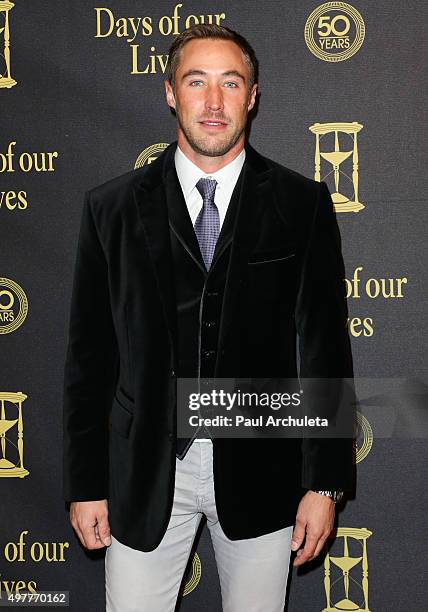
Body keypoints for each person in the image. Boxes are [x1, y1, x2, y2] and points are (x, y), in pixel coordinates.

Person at [62, 23, 355, 612]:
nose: (214, 102)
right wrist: (86, 483)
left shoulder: (302, 205)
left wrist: (324, 482)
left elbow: (324, 348)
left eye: (231, 82)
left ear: (253, 96)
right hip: (143, 471)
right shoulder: (111, 208)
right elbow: (88, 358)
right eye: (197, 82)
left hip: (261, 468)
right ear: (170, 91)